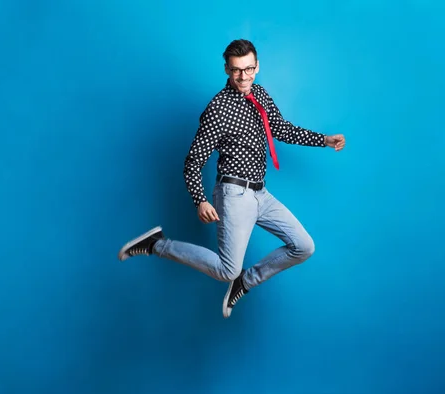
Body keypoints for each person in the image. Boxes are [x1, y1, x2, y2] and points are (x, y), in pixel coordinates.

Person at [118, 39, 345, 318]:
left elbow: (281, 129)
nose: (244, 77)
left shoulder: (259, 94)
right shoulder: (218, 109)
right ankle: (156, 243)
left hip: (261, 193)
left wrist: (323, 140)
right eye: (237, 70)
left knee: (304, 246)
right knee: (227, 269)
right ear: (227, 69)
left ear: (257, 66)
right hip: (233, 194)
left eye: (249, 69)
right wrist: (200, 200)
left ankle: (245, 282)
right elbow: (194, 160)